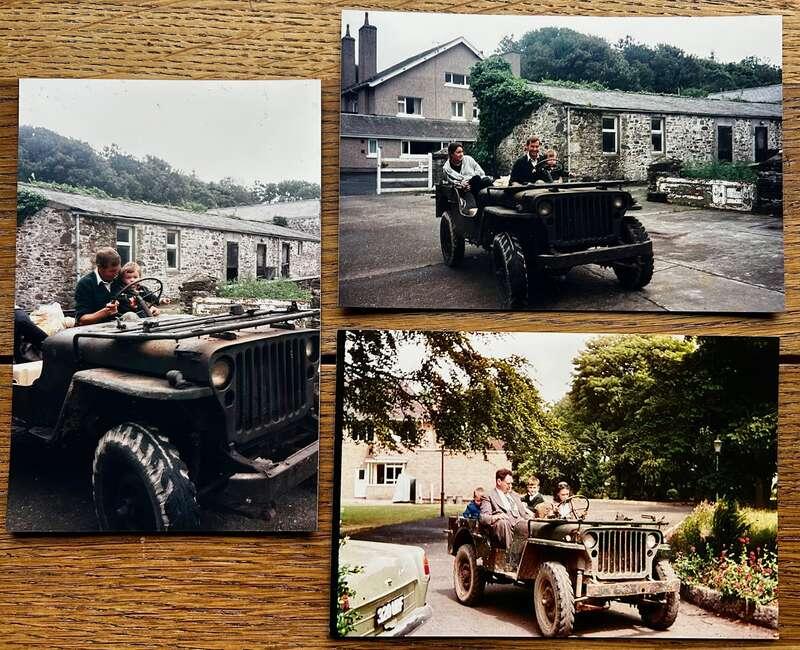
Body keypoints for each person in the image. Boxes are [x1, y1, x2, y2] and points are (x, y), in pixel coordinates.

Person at [479, 468, 531, 550]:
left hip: (518, 522)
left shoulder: (515, 495)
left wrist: (533, 519)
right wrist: (496, 517)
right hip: (502, 524)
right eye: (508, 483)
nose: (510, 486)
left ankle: (529, 555)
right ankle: (509, 555)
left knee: (531, 526)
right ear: (499, 482)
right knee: (504, 523)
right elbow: (483, 517)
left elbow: (524, 514)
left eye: (511, 483)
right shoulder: (489, 496)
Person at [74, 247, 122, 325]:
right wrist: (105, 312)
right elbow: (82, 319)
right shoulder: (85, 284)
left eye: (118, 270)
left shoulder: (120, 278)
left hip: (122, 326)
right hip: (97, 330)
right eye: (112, 271)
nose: (116, 274)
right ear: (100, 268)